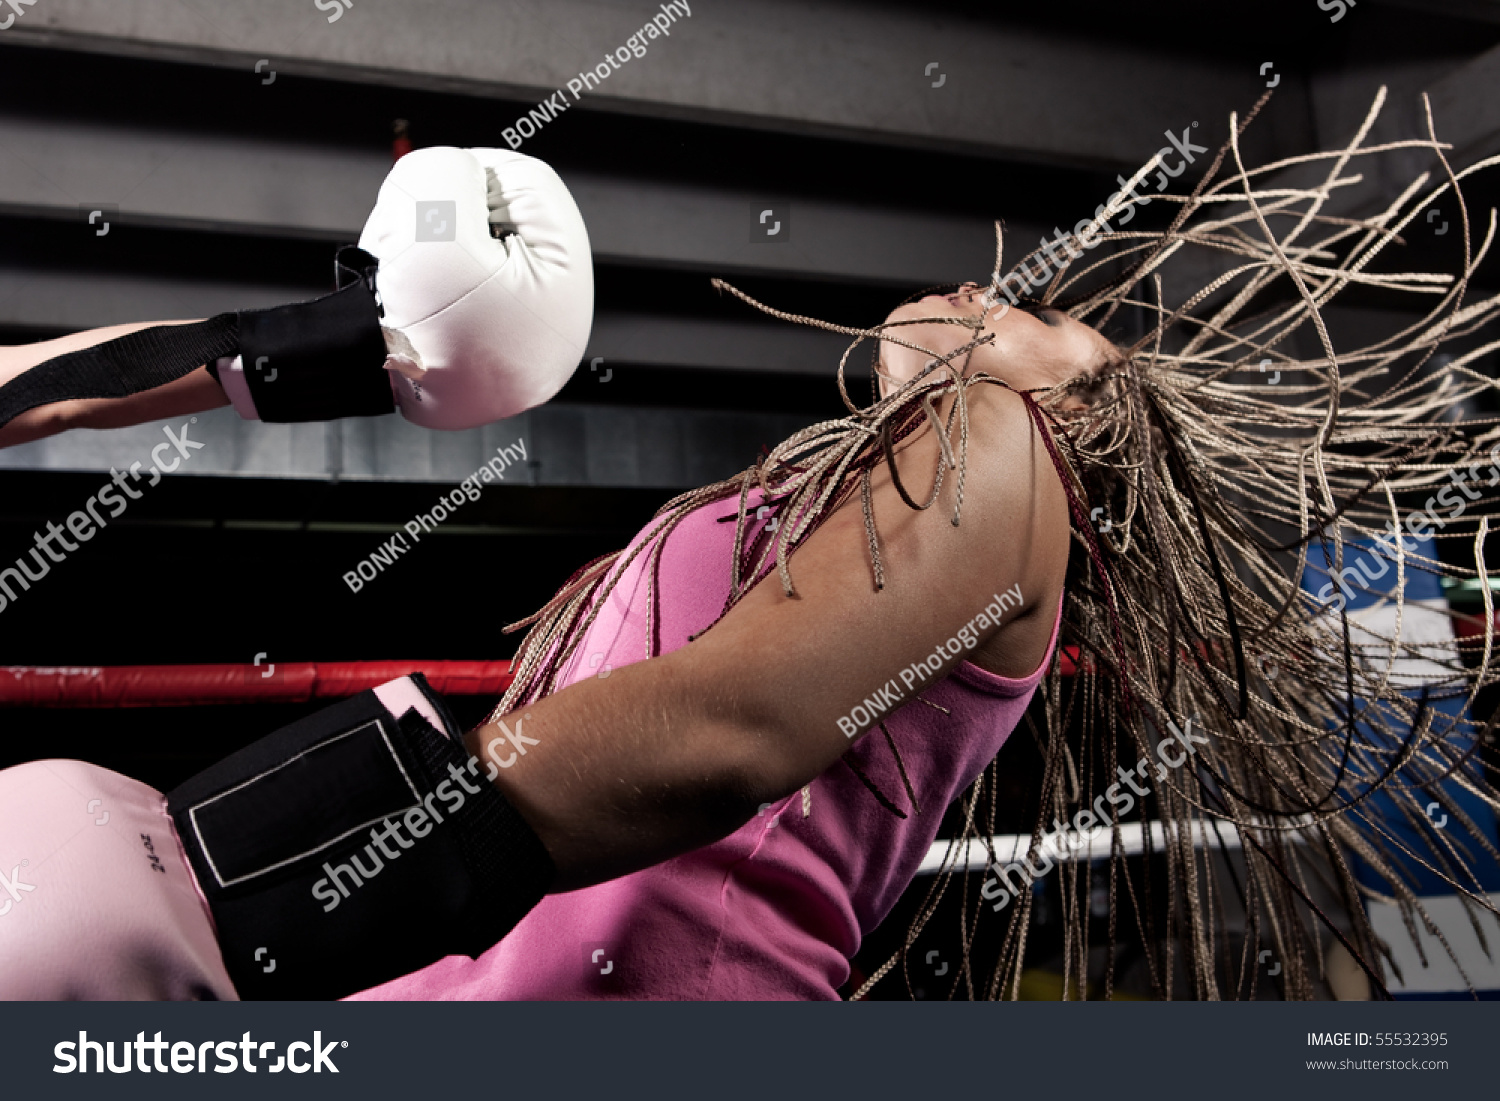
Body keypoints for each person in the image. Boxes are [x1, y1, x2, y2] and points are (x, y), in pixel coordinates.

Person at [4, 88, 1500, 1001]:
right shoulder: (823, 505)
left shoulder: (1012, 460)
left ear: (1089, 413)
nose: (994, 297)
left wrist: (257, 889)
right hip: (480, 980)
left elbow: (736, 725)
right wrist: (313, 341)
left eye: (1046, 319)